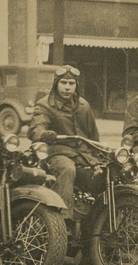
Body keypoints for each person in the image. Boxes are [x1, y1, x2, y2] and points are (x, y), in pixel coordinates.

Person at [27, 65, 100, 217]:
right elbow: (36, 128)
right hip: (57, 154)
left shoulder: (83, 105)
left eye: (71, 83)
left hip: (82, 155)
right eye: (63, 83)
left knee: (109, 171)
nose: (67, 87)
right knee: (67, 169)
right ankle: (63, 218)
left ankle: (101, 220)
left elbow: (93, 137)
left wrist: (98, 158)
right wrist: (44, 134)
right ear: (56, 83)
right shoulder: (45, 104)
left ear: (76, 85)